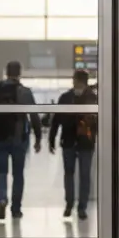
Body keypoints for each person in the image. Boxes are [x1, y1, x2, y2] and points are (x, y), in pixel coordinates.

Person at [0, 60, 42, 220]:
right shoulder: (25, 92)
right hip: (18, 138)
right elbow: (34, 116)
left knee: (1, 171)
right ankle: (16, 208)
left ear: (6, 72)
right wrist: (38, 137)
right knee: (18, 174)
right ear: (19, 72)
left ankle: (1, 199)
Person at [48, 70, 97, 221]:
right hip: (69, 141)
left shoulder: (93, 98)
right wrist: (52, 138)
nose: (76, 84)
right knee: (69, 174)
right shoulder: (65, 98)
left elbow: (100, 120)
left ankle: (81, 207)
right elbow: (56, 120)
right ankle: (69, 204)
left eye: (78, 81)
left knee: (84, 175)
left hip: (85, 142)